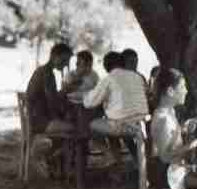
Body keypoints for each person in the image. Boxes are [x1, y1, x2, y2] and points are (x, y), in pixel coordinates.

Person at [83, 49, 150, 171]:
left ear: (106, 66)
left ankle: (109, 155)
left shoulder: (109, 78)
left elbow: (89, 103)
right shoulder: (137, 77)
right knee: (111, 122)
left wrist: (84, 95)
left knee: (91, 124)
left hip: (123, 126)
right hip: (141, 125)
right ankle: (118, 164)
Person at [25, 43, 72, 175]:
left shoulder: (43, 70)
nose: (65, 64)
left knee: (69, 126)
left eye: (67, 61)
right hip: (39, 121)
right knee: (76, 129)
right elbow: (53, 102)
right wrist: (65, 91)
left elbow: (51, 100)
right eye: (63, 60)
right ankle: (42, 156)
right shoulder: (47, 73)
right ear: (53, 56)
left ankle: (54, 163)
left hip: (37, 117)